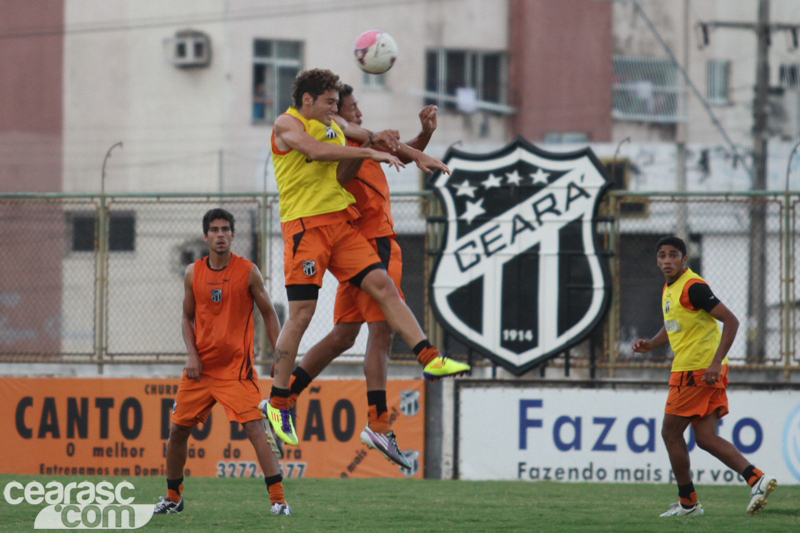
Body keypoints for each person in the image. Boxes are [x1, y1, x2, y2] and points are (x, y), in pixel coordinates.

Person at [265, 68, 469, 448]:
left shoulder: (333, 124)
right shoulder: (286, 124)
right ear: (307, 100)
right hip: (305, 228)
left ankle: (430, 358)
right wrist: (371, 149)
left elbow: (373, 137)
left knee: (384, 287)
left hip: (341, 224)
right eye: (329, 102)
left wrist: (416, 152)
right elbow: (314, 150)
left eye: (335, 103)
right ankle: (278, 401)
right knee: (303, 315)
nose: (334, 110)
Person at [154, 208, 291, 516]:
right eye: (214, 229)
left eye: (225, 229)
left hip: (236, 371)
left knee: (256, 430)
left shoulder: (247, 271)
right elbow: (186, 318)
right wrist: (192, 354)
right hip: (200, 370)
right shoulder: (193, 272)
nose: (219, 234)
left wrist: (279, 355)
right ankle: (173, 498)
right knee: (177, 432)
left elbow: (269, 313)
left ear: (232, 235)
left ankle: (279, 501)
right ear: (206, 236)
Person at [632, 236, 776, 517]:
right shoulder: (670, 288)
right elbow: (673, 324)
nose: (667, 260)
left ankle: (688, 503)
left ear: (685, 260)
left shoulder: (693, 286)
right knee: (706, 437)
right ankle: (756, 479)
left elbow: (731, 321)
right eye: (662, 255)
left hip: (695, 372)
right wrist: (651, 343)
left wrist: (714, 362)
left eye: (673, 255)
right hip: (703, 372)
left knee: (670, 433)